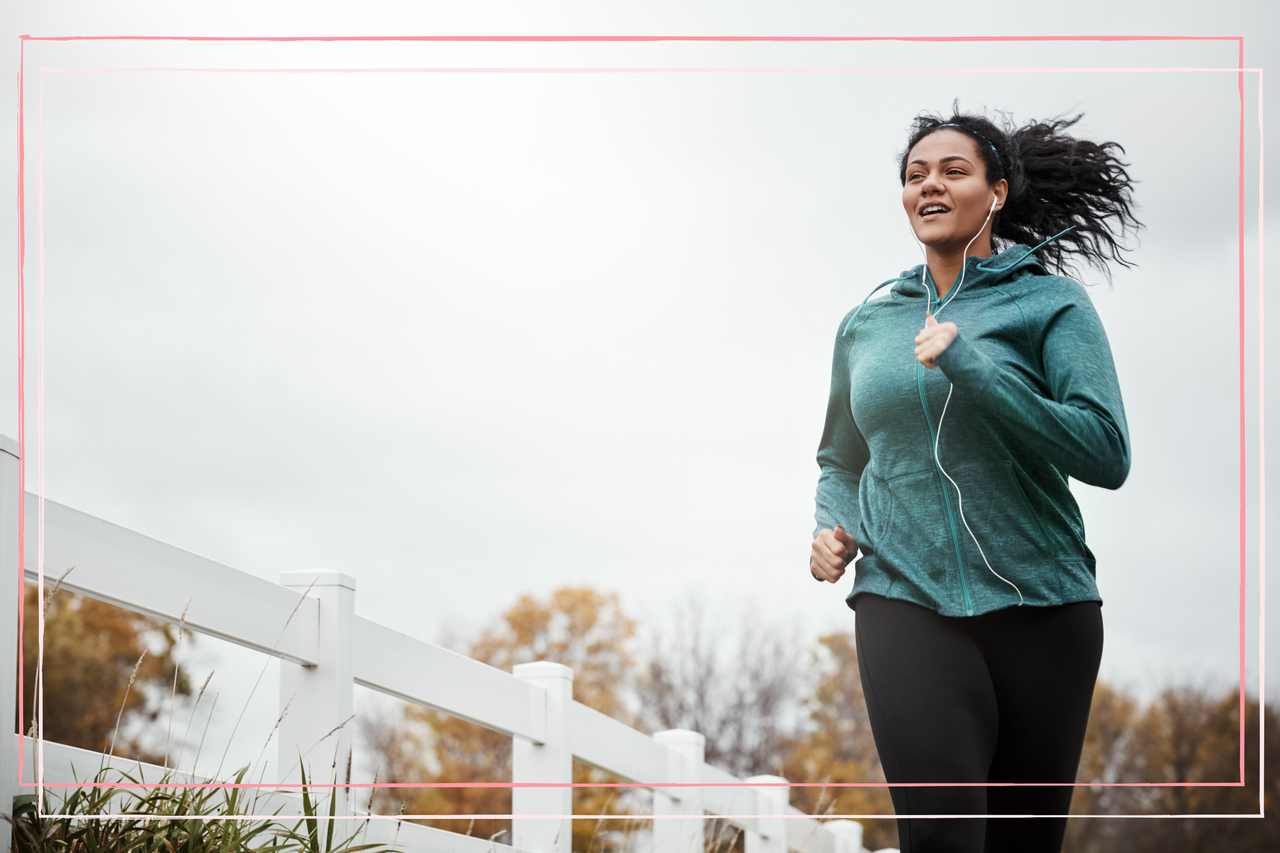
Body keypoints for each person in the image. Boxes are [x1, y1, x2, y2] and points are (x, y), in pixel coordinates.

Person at [809, 108, 1141, 853]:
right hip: (904, 593)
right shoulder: (868, 323)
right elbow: (841, 458)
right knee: (943, 836)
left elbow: (1106, 451)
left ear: (996, 192)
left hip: (1044, 606)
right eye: (914, 174)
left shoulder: (1050, 304)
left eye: (952, 170)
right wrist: (830, 528)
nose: (929, 184)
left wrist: (976, 370)